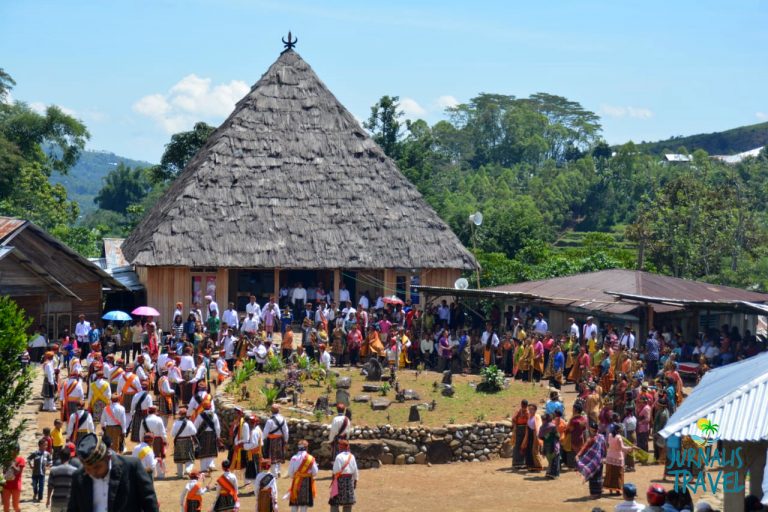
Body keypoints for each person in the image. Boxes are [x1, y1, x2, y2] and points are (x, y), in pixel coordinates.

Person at [66, 433, 158, 511]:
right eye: (88, 469)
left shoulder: (131, 468)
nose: (93, 473)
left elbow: (149, 502)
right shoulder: (78, 477)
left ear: (108, 457)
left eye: (97, 467)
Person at [577, 421, 607, 499]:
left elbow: (584, 448)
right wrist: (604, 457)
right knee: (598, 477)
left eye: (592, 430)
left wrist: (578, 455)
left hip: (593, 462)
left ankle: (594, 494)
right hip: (599, 461)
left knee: (593, 478)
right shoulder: (601, 437)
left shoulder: (592, 439)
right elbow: (604, 448)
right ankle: (598, 492)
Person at [288, 440, 318, 512]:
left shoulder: (293, 458)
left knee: (294, 502)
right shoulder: (311, 458)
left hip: (296, 481)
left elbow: (290, 473)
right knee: (304, 504)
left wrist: (296, 477)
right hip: (306, 482)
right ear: (307, 448)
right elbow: (315, 472)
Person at [329, 438, 358, 512]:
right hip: (349, 481)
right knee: (348, 503)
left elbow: (336, 471)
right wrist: (355, 481)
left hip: (340, 481)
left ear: (340, 447)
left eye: (339, 446)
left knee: (334, 502)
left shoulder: (339, 457)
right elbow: (355, 470)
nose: (338, 447)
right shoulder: (352, 456)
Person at [46, 444, 77, 512]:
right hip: (69, 502)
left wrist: (48, 499)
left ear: (60, 457)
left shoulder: (53, 470)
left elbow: (50, 486)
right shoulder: (75, 471)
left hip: (56, 501)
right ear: (69, 456)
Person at [605, 426, 634, 495]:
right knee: (618, 474)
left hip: (609, 457)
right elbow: (622, 448)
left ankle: (610, 490)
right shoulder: (619, 437)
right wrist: (631, 448)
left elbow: (609, 444)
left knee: (610, 474)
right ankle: (618, 490)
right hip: (618, 458)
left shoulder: (610, 435)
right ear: (619, 431)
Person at [193, 402, 220, 472]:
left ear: (203, 407)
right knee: (211, 450)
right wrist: (218, 436)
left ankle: (203, 468)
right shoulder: (214, 415)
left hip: (202, 435)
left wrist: (195, 435)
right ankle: (210, 465)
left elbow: (195, 426)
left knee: (203, 451)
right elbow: (217, 427)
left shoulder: (200, 415)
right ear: (210, 407)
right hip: (212, 434)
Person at [263, 404, 289, 477]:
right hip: (280, 439)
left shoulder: (270, 421)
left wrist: (261, 440)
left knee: (272, 457)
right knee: (279, 456)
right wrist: (286, 440)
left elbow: (265, 433)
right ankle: (278, 471)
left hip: (271, 440)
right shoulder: (283, 419)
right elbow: (286, 431)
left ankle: (274, 474)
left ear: (271, 411)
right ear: (279, 411)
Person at [171, 408, 198, 478]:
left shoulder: (176, 423)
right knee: (189, 458)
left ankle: (180, 474)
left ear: (180, 414)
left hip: (179, 441)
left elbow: (172, 434)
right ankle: (188, 470)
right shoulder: (189, 422)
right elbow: (194, 432)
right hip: (188, 441)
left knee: (179, 459)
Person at [27, 438, 51, 502]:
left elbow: (50, 462)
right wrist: (31, 465)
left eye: (46, 445)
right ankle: (35, 493)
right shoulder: (35, 453)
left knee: (41, 486)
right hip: (35, 473)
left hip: (42, 473)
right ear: (40, 445)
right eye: (44, 445)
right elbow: (29, 459)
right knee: (34, 485)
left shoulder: (47, 454)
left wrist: (47, 467)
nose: (46, 446)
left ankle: (39, 498)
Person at [511, 399, 529, 470]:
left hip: (525, 430)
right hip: (519, 430)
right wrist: (515, 427)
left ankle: (523, 462)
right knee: (518, 445)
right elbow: (513, 419)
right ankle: (517, 463)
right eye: (523, 405)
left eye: (524, 405)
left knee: (524, 445)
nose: (523, 407)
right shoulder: (518, 411)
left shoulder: (527, 412)